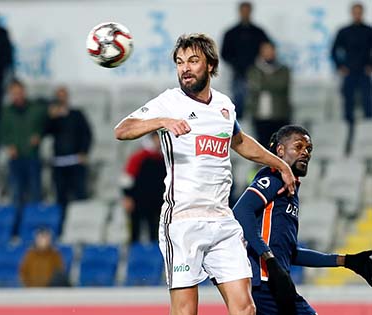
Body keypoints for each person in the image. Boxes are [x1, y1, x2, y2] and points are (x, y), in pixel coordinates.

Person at [114, 33, 296, 315]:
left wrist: (281, 165)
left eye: (193, 61)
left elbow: (239, 141)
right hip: (183, 221)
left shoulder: (224, 105)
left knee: (246, 309)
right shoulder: (170, 102)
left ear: (210, 65)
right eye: (179, 62)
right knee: (186, 311)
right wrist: (163, 121)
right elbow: (122, 130)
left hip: (222, 219)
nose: (185, 68)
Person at [233, 125, 372, 315]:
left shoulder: (291, 191)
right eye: (298, 147)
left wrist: (345, 261)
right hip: (263, 283)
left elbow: (289, 252)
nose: (305, 153)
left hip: (277, 283)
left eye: (308, 149)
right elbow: (242, 210)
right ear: (280, 150)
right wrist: (269, 259)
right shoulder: (273, 176)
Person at [0, 79, 47, 209]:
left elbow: (45, 125)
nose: (17, 96)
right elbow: (3, 132)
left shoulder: (35, 109)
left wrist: (39, 135)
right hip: (15, 158)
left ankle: (34, 221)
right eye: (14, 93)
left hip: (32, 156)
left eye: (19, 92)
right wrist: (9, 145)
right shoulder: (7, 111)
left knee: (35, 191)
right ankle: (17, 224)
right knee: (17, 192)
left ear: (24, 92)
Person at [44, 86, 92, 213]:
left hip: (75, 161)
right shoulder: (52, 117)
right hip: (59, 162)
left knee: (79, 195)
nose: (61, 99)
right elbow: (45, 132)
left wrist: (84, 152)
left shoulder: (77, 114)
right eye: (59, 96)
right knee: (60, 197)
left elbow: (87, 134)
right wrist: (52, 117)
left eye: (63, 96)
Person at [221, 2, 270, 120]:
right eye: (243, 11)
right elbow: (224, 53)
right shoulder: (231, 33)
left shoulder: (258, 32)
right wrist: (236, 64)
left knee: (256, 101)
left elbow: (267, 49)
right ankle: (238, 129)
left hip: (257, 73)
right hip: (238, 73)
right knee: (239, 101)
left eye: (247, 11)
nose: (245, 13)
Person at [331, 2, 372, 125]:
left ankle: (368, 128)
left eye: (359, 12)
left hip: (364, 71)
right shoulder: (344, 31)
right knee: (348, 99)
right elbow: (333, 50)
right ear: (352, 14)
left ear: (362, 13)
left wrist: (370, 65)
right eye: (355, 13)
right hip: (349, 71)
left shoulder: (369, 31)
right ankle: (348, 127)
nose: (357, 15)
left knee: (367, 99)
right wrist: (340, 66)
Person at [245, 41, 291, 148]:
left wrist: (264, 82)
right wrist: (272, 81)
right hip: (259, 115)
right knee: (261, 145)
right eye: (265, 50)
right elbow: (254, 86)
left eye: (270, 50)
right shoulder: (254, 69)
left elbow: (281, 85)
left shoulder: (283, 69)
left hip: (279, 114)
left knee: (279, 145)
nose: (268, 53)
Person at [121, 132, 165, 243]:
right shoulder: (139, 157)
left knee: (155, 232)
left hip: (157, 202)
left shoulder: (163, 158)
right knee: (135, 232)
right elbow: (127, 178)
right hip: (137, 201)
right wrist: (127, 197)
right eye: (156, 139)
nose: (158, 142)